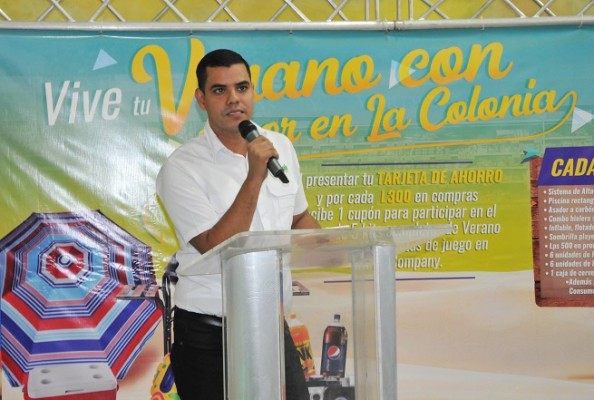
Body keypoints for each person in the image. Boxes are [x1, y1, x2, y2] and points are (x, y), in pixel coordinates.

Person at [156, 48, 320, 399]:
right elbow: (214, 247)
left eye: (242, 87)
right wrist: (254, 176)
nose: (234, 99)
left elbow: (299, 217)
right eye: (220, 90)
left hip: (272, 328)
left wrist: (327, 245)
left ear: (253, 91)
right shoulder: (182, 168)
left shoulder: (281, 146)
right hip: (209, 337)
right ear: (202, 99)